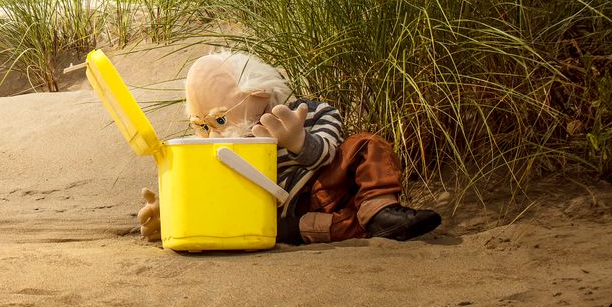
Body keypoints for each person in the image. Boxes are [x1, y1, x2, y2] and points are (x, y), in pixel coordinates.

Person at [138, 51, 441, 244]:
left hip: (326, 183)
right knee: (340, 225)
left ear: (259, 95)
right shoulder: (209, 151)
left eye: (219, 119)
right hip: (283, 219)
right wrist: (169, 210)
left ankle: (381, 211)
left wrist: (298, 142)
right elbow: (206, 196)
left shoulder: (307, 113)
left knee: (367, 144)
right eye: (202, 125)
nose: (212, 132)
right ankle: (360, 227)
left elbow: (328, 151)